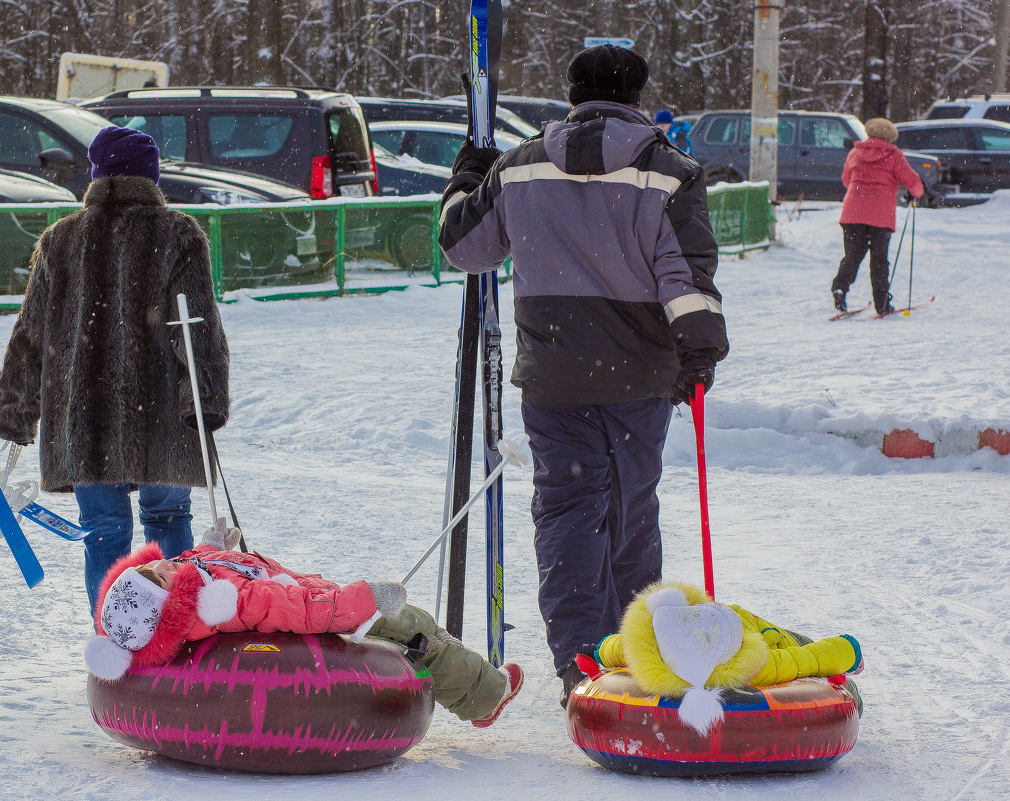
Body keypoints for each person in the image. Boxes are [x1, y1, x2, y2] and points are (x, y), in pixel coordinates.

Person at [438, 45, 729, 708]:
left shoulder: (519, 167)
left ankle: (580, 664)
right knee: (631, 512)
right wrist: (699, 351)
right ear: (637, 93)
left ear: (571, 94)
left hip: (556, 374)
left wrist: (467, 175)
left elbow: (463, 245)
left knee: (567, 512)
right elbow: (687, 278)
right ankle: (632, 654)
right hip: (641, 375)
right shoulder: (669, 171)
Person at [0, 126, 230, 620]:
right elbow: (199, 328)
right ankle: (176, 627)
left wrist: (17, 406)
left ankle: (116, 631)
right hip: (163, 412)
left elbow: (30, 333)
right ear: (151, 176)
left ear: (97, 175)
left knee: (103, 529)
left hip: (84, 415)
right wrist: (205, 398)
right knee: (168, 517)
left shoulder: (61, 239)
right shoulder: (180, 233)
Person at [84, 521, 525, 728]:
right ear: (171, 606)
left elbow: (198, 563)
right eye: (161, 575)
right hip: (330, 612)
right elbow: (297, 612)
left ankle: (477, 689)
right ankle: (484, 696)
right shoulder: (225, 602)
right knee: (414, 629)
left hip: (307, 591)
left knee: (413, 628)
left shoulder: (189, 574)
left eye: (152, 567)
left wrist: (211, 545)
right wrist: (365, 600)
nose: (163, 561)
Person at [580, 581, 863, 733]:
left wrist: (598, 651)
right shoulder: (754, 665)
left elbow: (617, 647)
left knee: (797, 643)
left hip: (760, 628)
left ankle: (850, 690)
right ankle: (853, 693)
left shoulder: (654, 648)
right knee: (798, 654)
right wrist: (849, 650)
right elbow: (808, 660)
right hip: (756, 633)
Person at [831, 117, 924, 315]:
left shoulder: (855, 152)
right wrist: (915, 193)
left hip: (853, 212)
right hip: (880, 215)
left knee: (853, 255)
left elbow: (846, 180)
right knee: (879, 260)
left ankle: (840, 287)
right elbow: (911, 180)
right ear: (890, 137)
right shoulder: (893, 155)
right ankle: (882, 304)